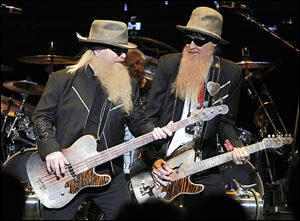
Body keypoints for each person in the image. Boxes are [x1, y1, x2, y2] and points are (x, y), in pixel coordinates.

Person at [31, 20, 172, 220]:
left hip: (109, 173)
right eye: (117, 50)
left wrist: (154, 131)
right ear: (97, 49)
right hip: (66, 173)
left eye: (124, 50)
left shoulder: (129, 84)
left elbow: (138, 122)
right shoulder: (62, 79)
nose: (123, 56)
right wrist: (51, 150)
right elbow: (41, 117)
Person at [143, 7, 251, 211]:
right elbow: (150, 118)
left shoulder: (231, 72)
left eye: (199, 41)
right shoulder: (169, 64)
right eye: (188, 39)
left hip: (203, 163)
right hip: (164, 160)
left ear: (215, 44)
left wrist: (235, 145)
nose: (191, 46)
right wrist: (153, 160)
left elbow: (227, 122)